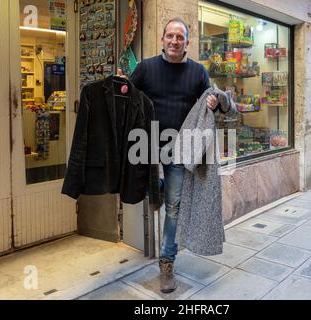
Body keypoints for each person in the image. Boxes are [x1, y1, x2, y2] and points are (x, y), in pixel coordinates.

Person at [117, 17, 219, 294]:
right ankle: (156, 189)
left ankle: (166, 261)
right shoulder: (146, 68)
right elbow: (126, 96)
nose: (174, 41)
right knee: (142, 189)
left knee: (173, 206)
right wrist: (120, 86)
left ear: (187, 42)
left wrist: (215, 103)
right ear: (162, 39)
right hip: (145, 145)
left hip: (180, 148)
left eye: (180, 37)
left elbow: (211, 103)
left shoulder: (198, 72)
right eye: (170, 36)